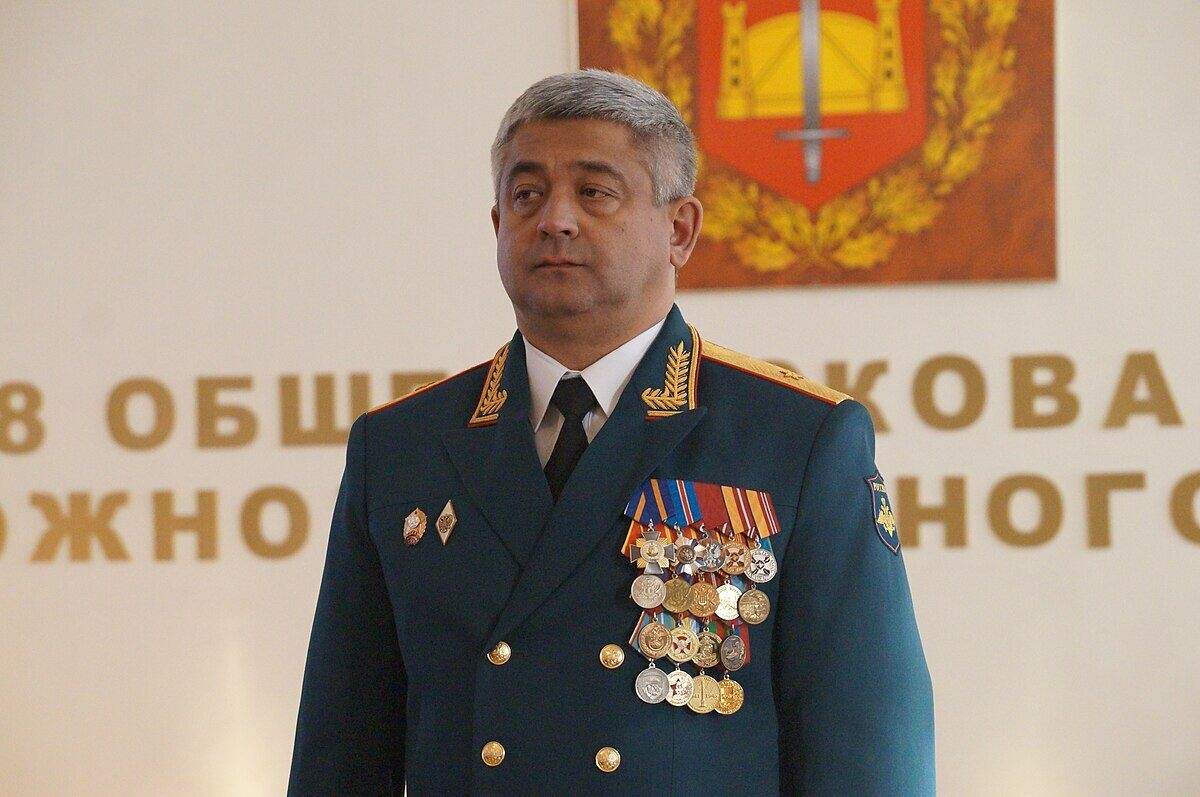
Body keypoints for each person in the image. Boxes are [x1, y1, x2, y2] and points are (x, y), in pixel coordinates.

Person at [288, 68, 935, 796]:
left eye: (594, 192)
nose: (555, 220)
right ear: (497, 226)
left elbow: (867, 749)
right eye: (526, 195)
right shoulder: (401, 446)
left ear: (679, 230)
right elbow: (340, 751)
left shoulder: (797, 439)